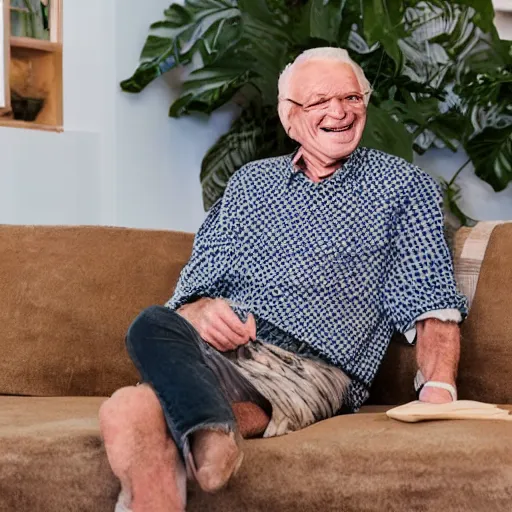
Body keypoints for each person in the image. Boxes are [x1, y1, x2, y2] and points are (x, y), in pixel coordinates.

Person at [99, 47, 468, 512]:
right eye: (319, 102)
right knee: (150, 325)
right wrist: (201, 312)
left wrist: (439, 390)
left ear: (365, 104)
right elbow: (195, 283)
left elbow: (429, 296)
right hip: (217, 354)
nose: (339, 111)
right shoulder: (250, 183)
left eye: (350, 97)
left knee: (138, 411)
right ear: (290, 118)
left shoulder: (402, 186)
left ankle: (194, 428)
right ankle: (209, 432)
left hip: (309, 363)